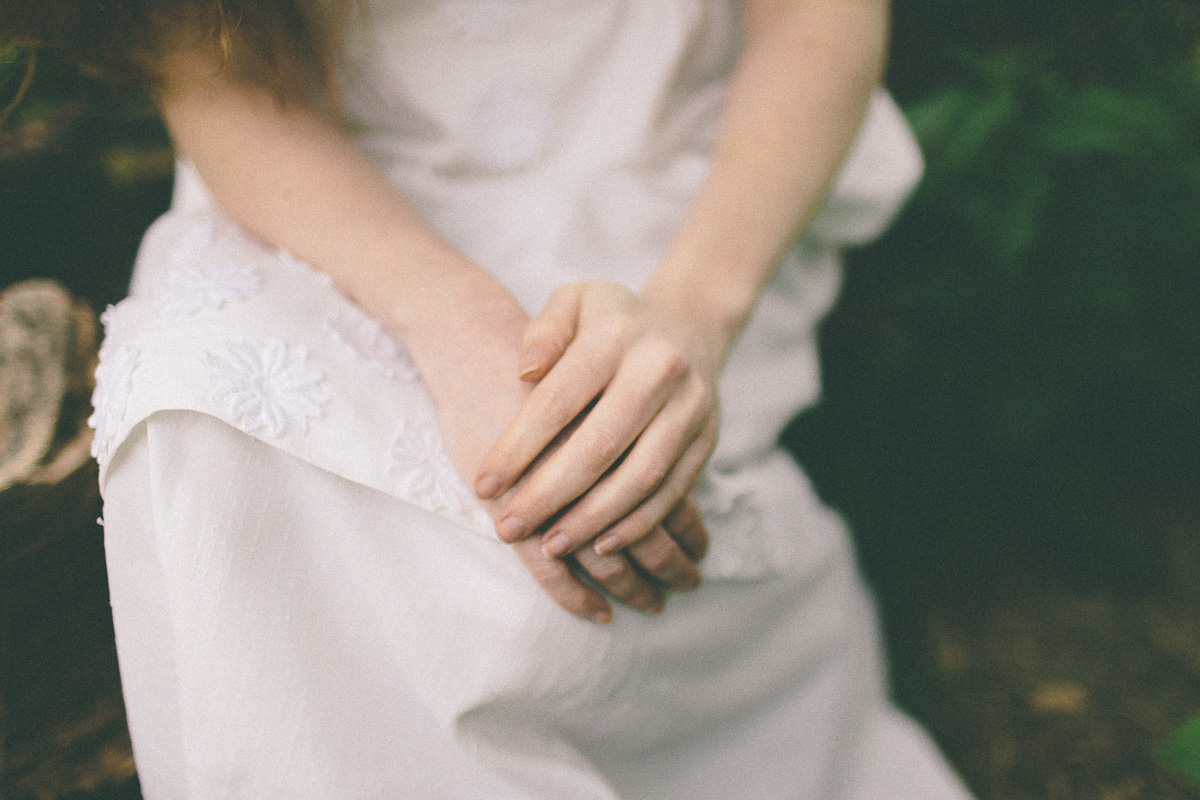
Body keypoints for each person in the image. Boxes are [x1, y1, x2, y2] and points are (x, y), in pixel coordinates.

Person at [9, 0, 974, 796]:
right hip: (336, 196)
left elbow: (819, 22)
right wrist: (454, 320)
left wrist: (694, 314)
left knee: (588, 495)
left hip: (676, 200)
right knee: (212, 408)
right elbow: (205, 59)